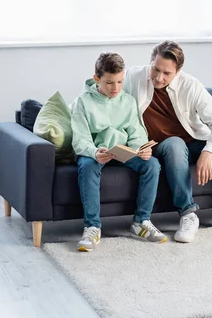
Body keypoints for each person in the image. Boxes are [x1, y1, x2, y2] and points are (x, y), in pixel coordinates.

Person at [123, 40, 212, 243]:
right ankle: (187, 214)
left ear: (178, 71)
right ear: (151, 62)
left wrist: (209, 152)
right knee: (174, 143)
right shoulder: (134, 76)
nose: (158, 77)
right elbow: (102, 87)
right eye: (155, 69)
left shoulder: (190, 86)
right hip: (165, 146)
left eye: (167, 73)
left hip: (196, 141)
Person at [71, 52, 167, 252]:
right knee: (87, 166)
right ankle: (92, 227)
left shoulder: (128, 101)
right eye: (109, 83)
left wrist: (142, 150)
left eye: (120, 82)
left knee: (152, 164)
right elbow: (80, 140)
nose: (115, 88)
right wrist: (95, 152)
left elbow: (136, 134)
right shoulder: (83, 102)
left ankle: (141, 222)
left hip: (124, 153)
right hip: (96, 154)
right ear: (97, 79)